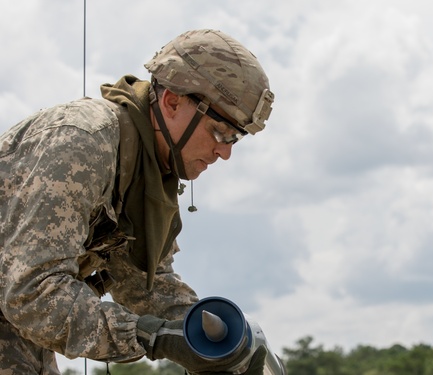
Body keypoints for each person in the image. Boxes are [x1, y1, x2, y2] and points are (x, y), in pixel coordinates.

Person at [0, 29, 276, 374]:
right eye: (221, 132)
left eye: (236, 139)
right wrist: (151, 337)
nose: (224, 153)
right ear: (173, 101)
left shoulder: (146, 173)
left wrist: (219, 346)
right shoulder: (82, 143)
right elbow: (33, 295)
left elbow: (147, 286)